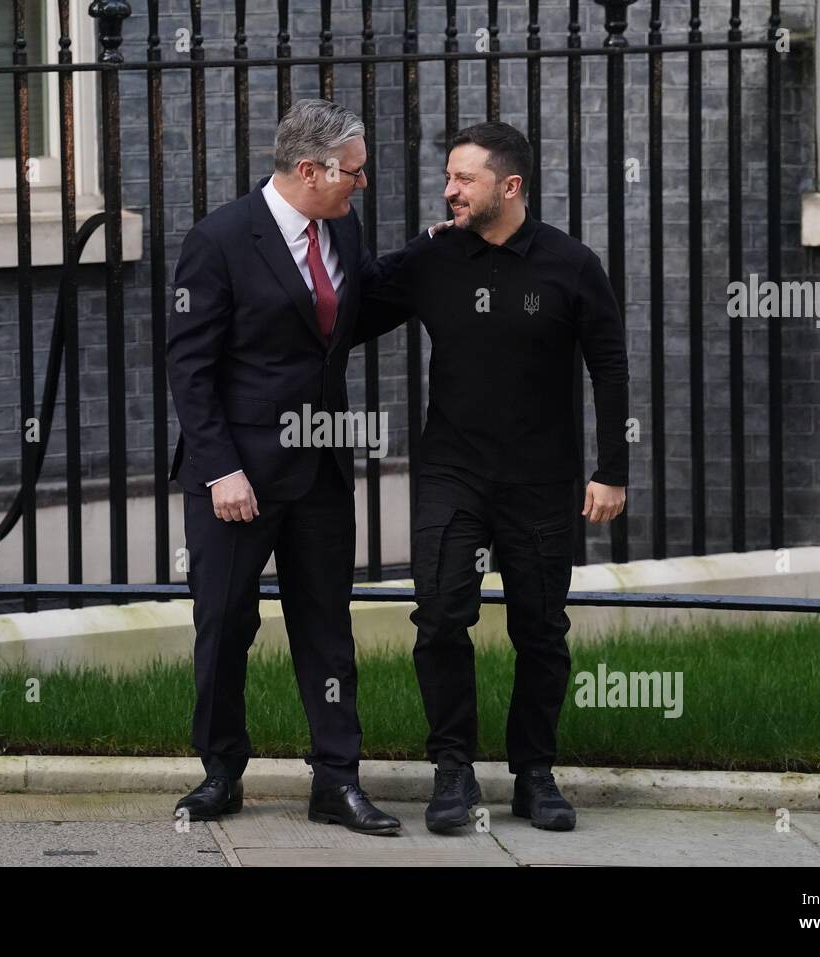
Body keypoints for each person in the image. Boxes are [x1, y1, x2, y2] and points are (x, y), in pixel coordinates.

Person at [166, 99, 436, 835]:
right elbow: (190, 368)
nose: (362, 183)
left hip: (318, 468)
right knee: (224, 623)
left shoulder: (340, 226)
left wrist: (426, 253)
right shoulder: (219, 239)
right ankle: (221, 772)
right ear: (310, 170)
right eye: (354, 171)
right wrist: (220, 469)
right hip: (238, 478)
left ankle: (336, 779)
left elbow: (352, 312)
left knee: (325, 626)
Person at [359, 121, 630, 832]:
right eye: (447, 176)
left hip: (543, 480)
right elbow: (347, 303)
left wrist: (611, 470)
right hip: (451, 473)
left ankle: (534, 774)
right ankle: (452, 771)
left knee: (541, 629)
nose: (448, 189)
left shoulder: (572, 265)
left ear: (509, 186)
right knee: (442, 615)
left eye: (463, 179)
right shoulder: (435, 258)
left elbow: (610, 364)